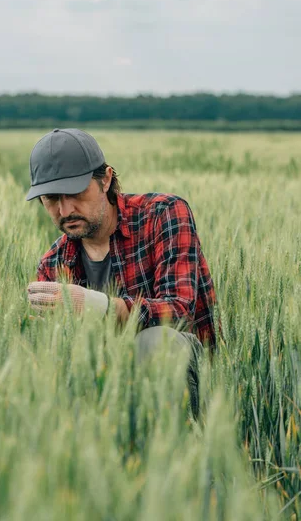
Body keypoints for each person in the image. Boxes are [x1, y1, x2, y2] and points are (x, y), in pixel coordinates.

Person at [26, 128, 218, 417]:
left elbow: (179, 312)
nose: (65, 209)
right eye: (52, 199)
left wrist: (96, 306)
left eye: (75, 192)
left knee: (154, 343)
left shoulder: (164, 214)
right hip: (102, 388)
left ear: (105, 180)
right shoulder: (53, 265)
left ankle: (173, 450)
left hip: (187, 378)